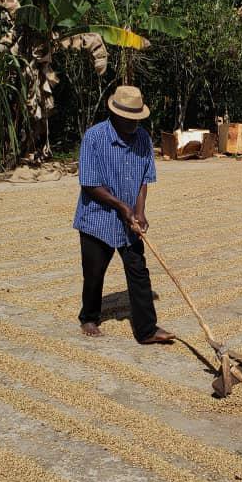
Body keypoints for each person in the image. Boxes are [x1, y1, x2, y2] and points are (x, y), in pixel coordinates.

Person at [72, 86, 175, 344]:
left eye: (137, 119)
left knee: (139, 271)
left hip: (128, 223)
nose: (133, 123)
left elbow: (143, 180)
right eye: (129, 119)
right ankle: (89, 316)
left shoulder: (143, 139)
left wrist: (139, 212)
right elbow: (89, 183)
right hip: (97, 217)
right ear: (116, 115)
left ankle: (146, 330)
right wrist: (122, 207)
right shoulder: (94, 138)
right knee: (94, 273)